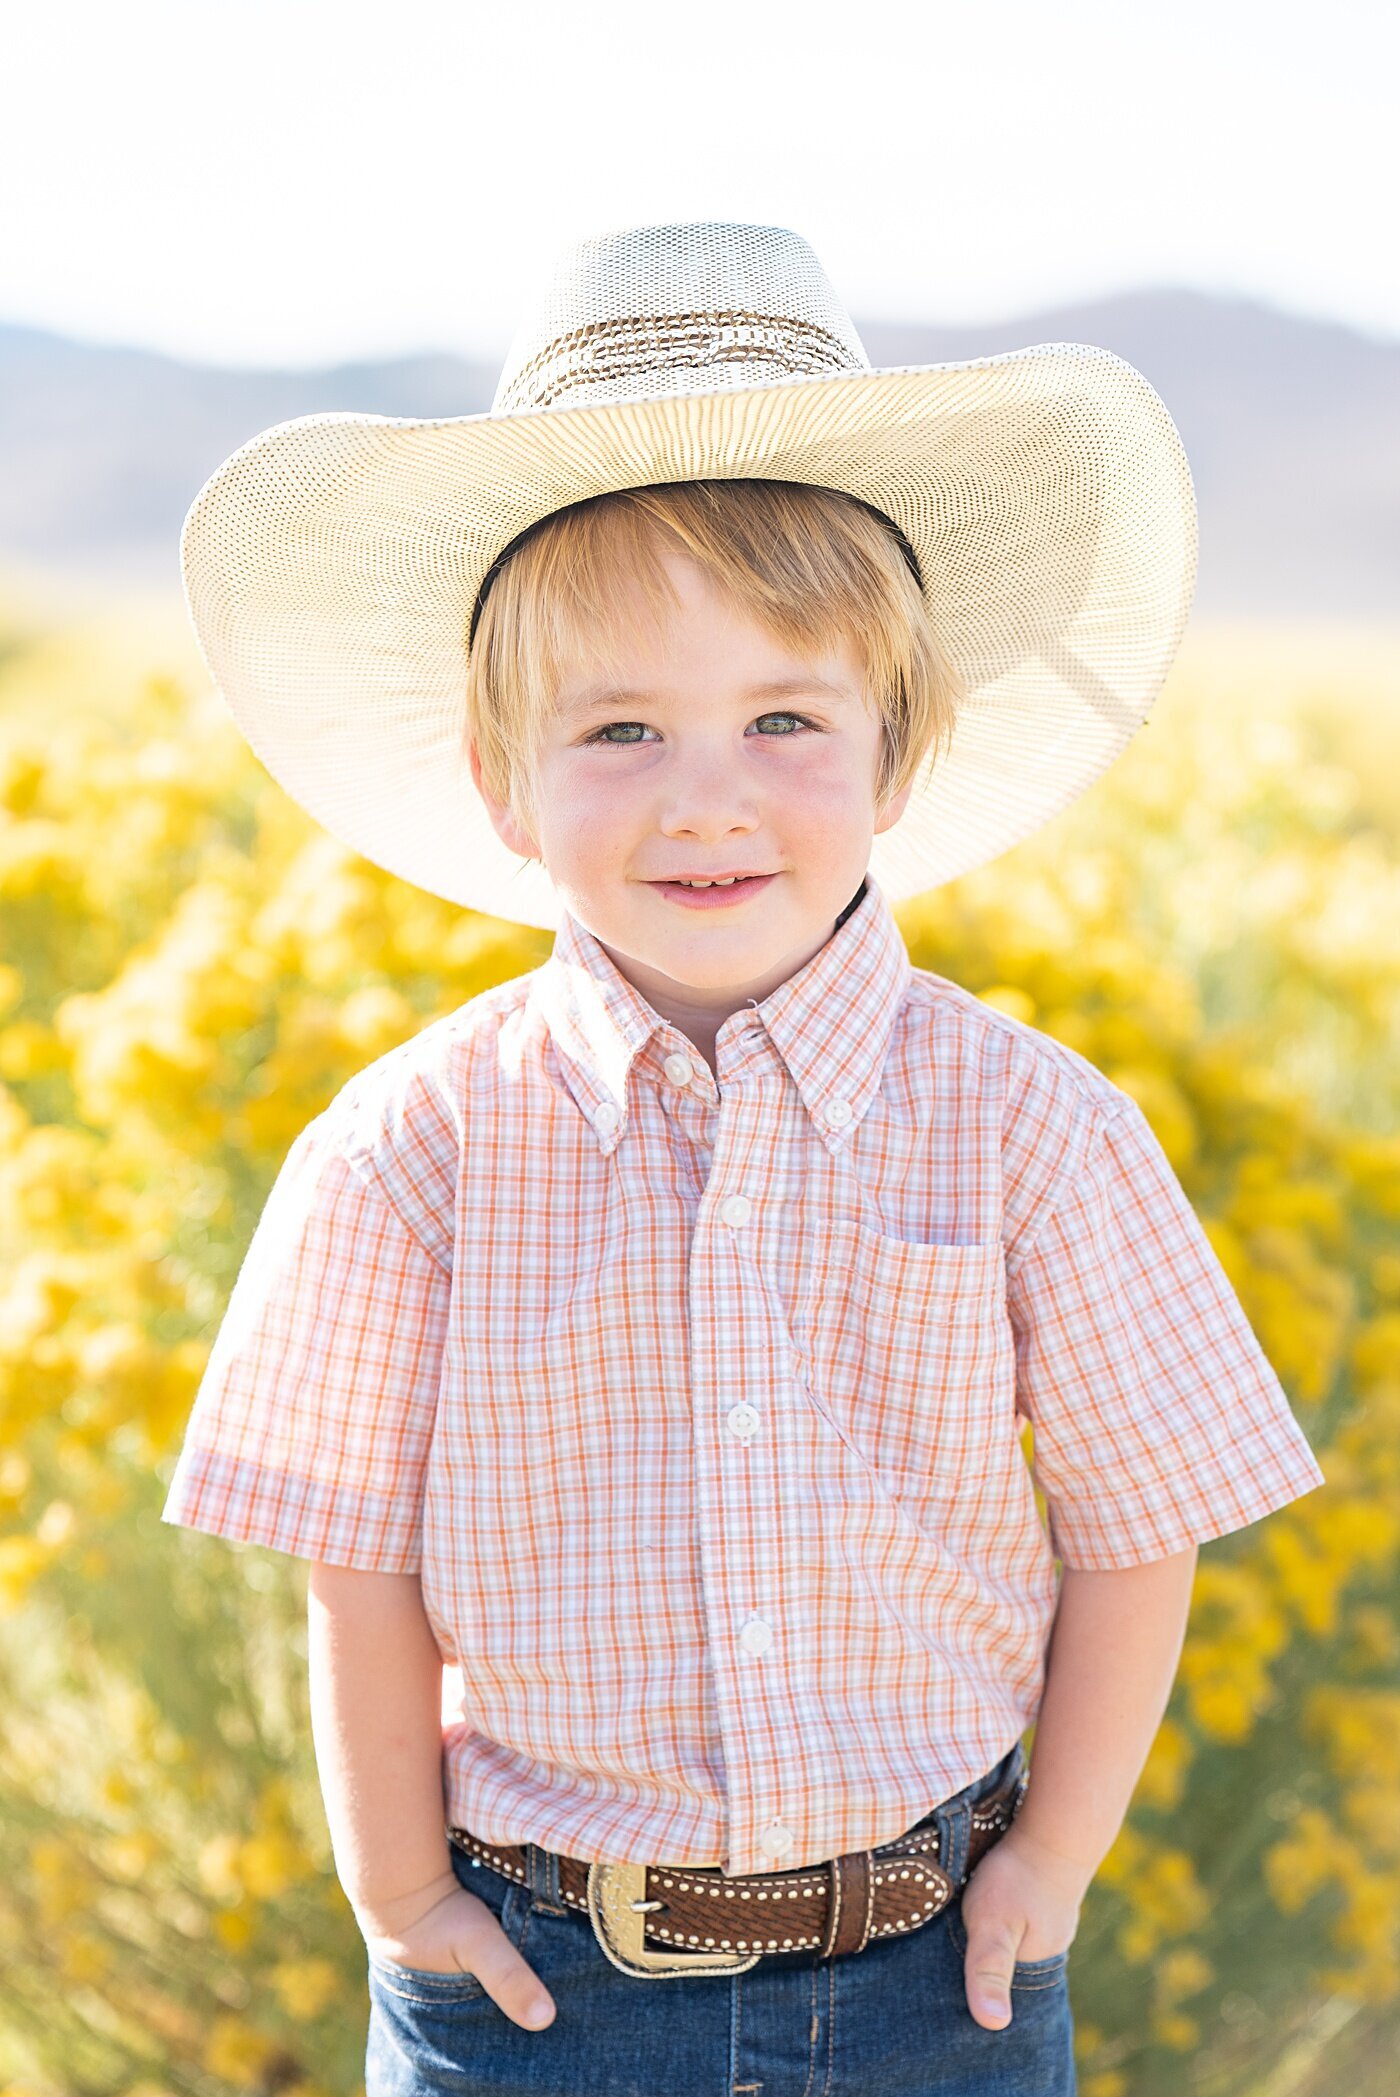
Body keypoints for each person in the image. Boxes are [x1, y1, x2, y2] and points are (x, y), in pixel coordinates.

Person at [161, 222, 1326, 2096]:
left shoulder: (1035, 1126)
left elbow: (1140, 1522)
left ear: (898, 748)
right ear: (502, 780)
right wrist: (398, 1896)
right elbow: (352, 1571)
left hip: (936, 1970)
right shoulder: (410, 1151)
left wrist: (1057, 1860)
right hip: (535, 1981)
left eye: (784, 717)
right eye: (621, 727)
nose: (707, 791)